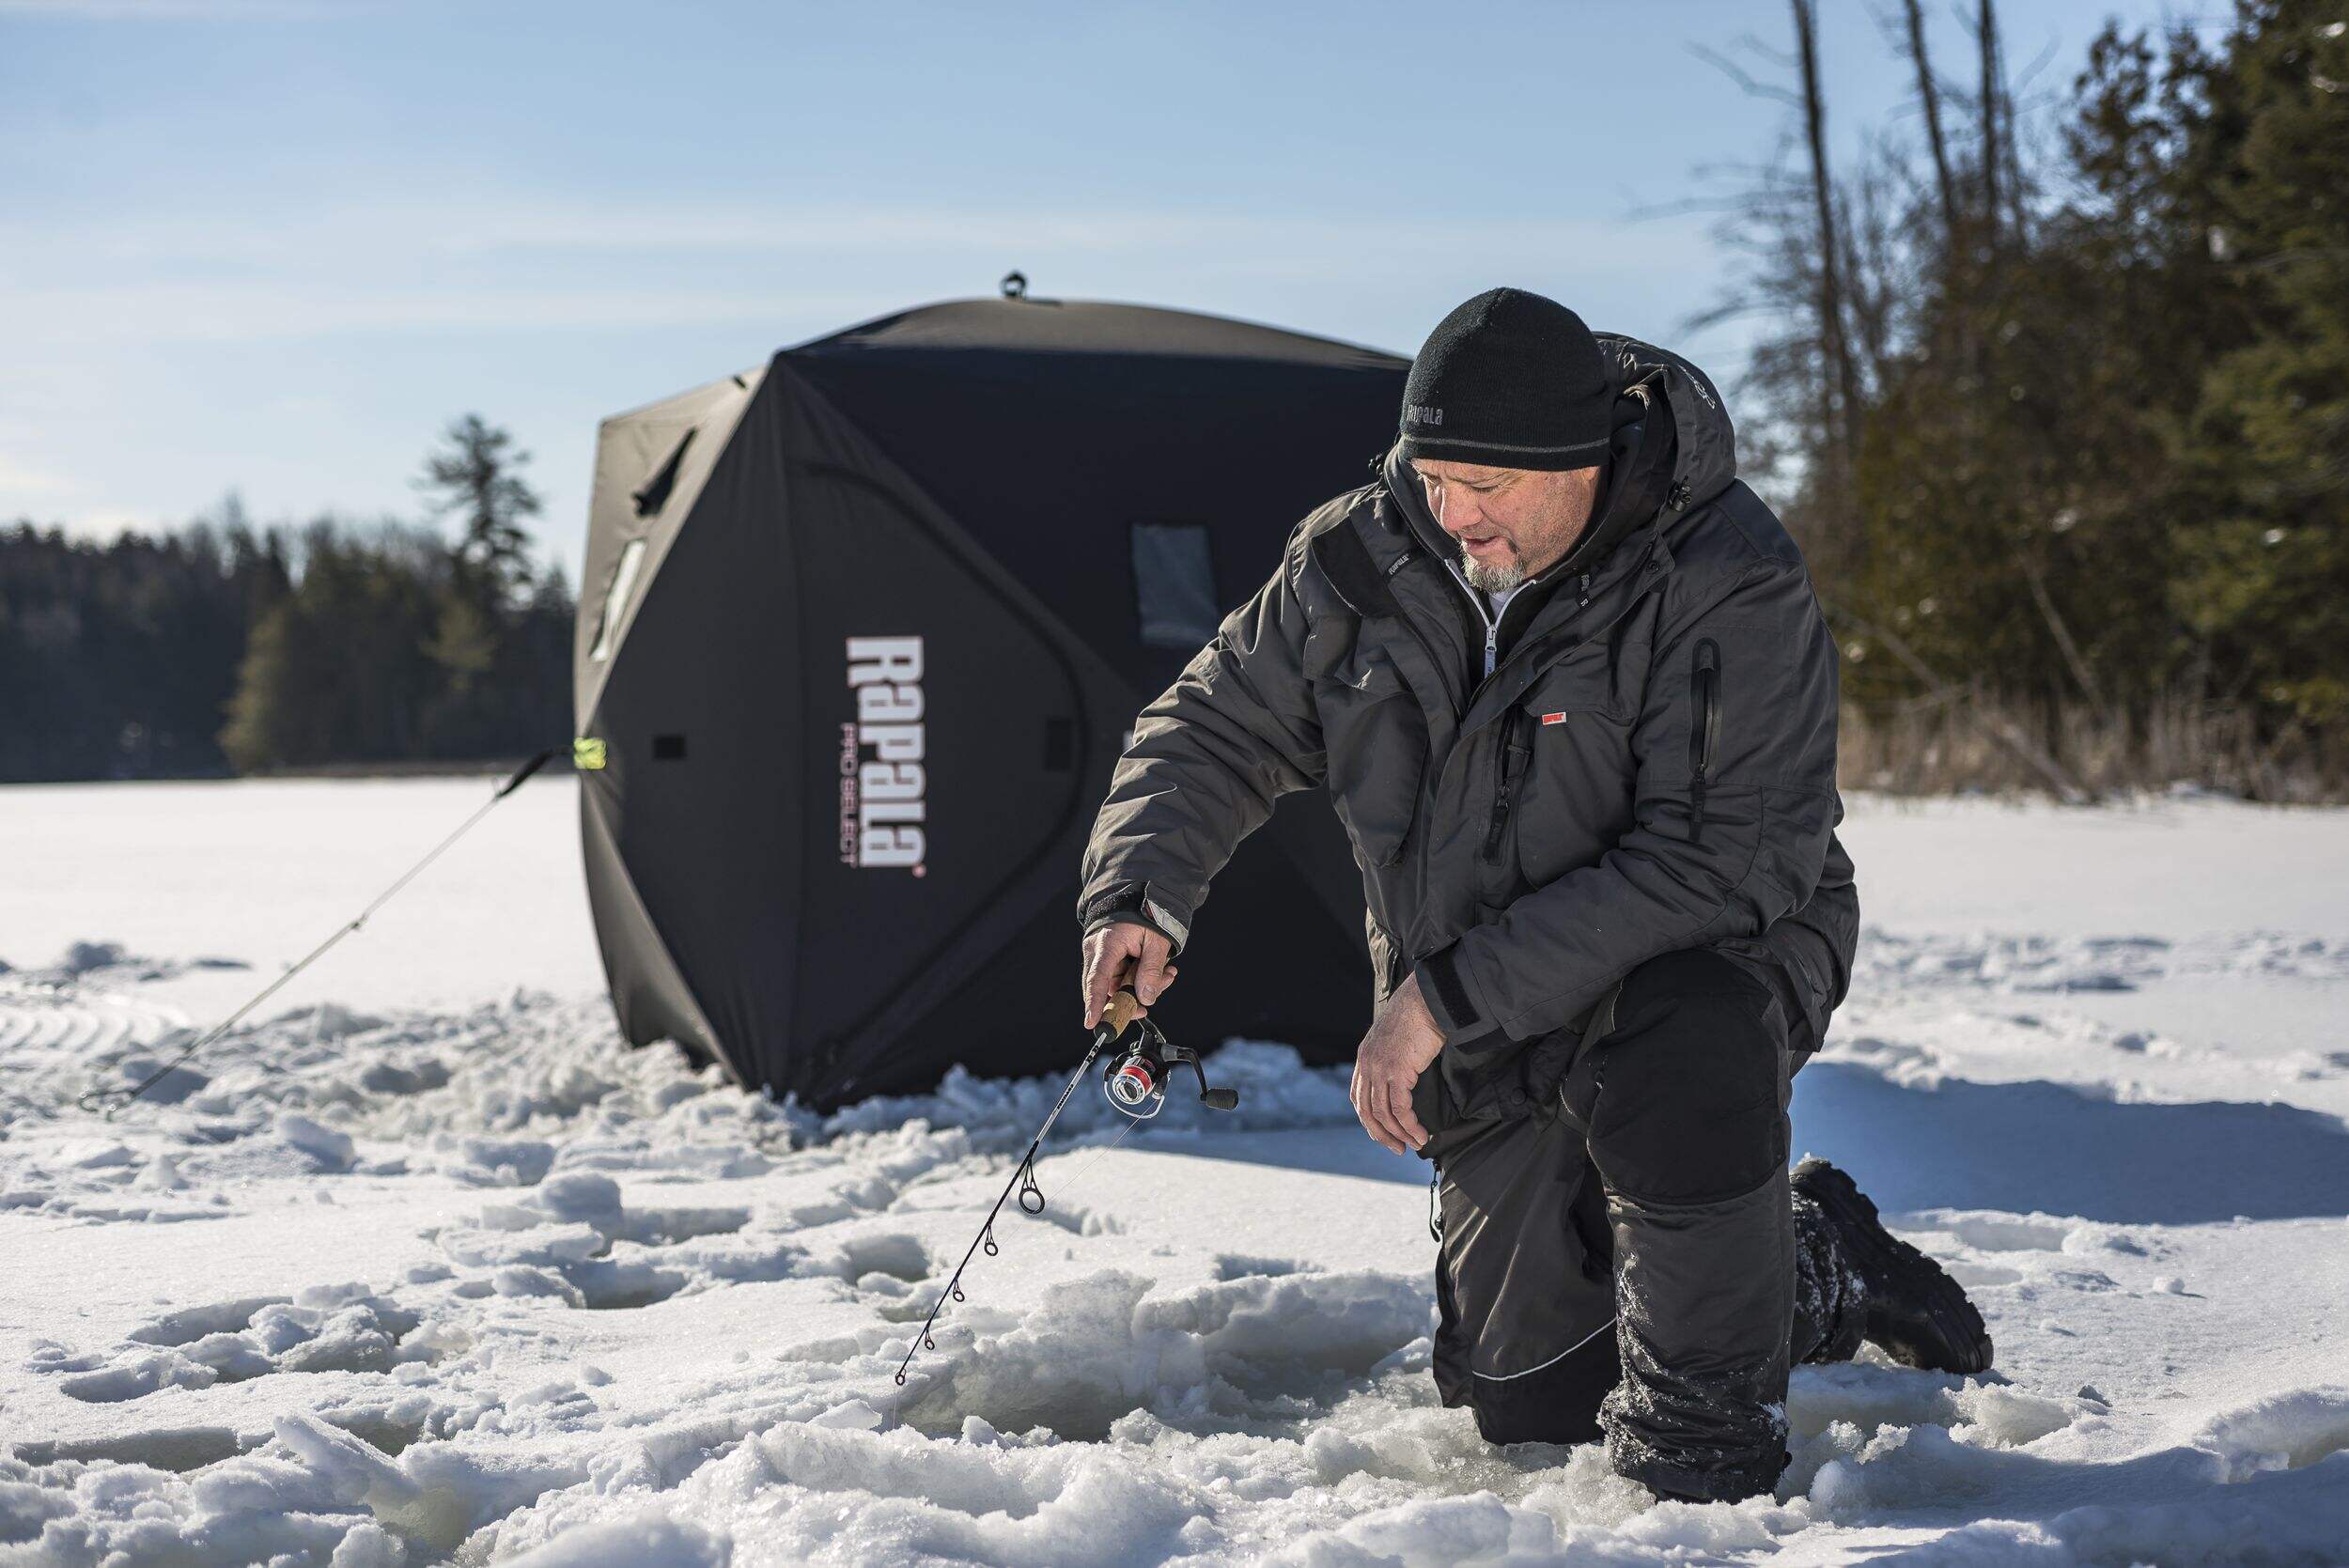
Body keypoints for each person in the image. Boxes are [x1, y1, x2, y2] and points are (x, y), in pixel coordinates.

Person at [1075, 287, 1991, 1502]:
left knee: (1683, 1044)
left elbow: (1719, 865)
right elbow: (1210, 723)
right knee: (1529, 1401)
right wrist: (1144, 887)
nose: (1454, 516)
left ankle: (1705, 1447)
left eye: (1485, 487)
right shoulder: (1358, 561)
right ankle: (1806, 1251)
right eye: (1431, 474)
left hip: (1707, 948)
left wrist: (1436, 1001)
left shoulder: (1726, 576)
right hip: (1482, 1011)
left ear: (1578, 463)